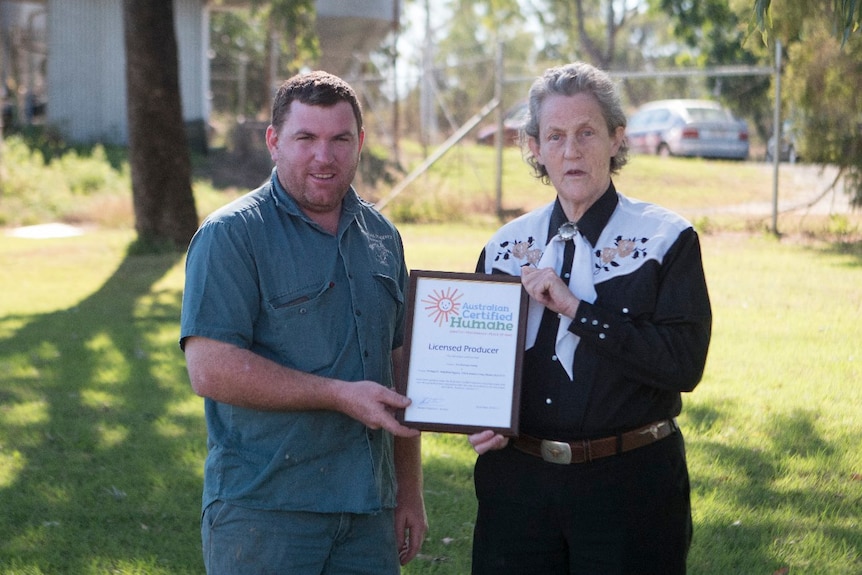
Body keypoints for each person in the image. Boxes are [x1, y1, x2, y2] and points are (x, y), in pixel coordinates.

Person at [468, 62, 712, 574]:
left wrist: (578, 310)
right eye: (554, 136)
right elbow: (477, 367)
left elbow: (683, 365)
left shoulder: (667, 240)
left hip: (631, 487)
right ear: (534, 147)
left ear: (617, 138)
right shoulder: (504, 248)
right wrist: (480, 418)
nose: (571, 150)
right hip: (518, 489)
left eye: (586, 133)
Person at [180, 70, 427, 574]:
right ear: (274, 142)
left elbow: (402, 369)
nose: (324, 156)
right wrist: (338, 394)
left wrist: (409, 492)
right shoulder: (231, 235)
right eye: (305, 138)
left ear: (359, 143)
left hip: (368, 513)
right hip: (266, 511)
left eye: (340, 139)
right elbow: (210, 368)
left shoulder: (382, 235)